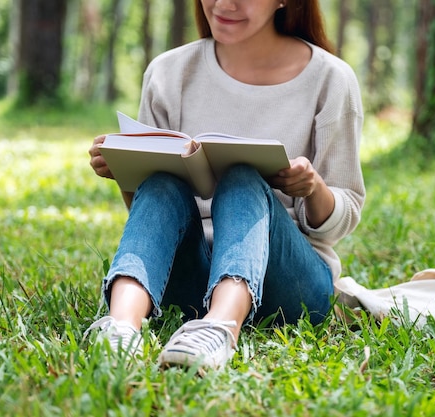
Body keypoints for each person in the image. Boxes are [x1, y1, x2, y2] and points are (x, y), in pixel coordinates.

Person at [86, 0, 365, 370]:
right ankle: (120, 327)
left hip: (291, 285)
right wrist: (126, 170)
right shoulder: (168, 73)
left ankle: (220, 327)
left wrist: (312, 187)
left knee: (241, 177)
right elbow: (150, 215)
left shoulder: (331, 79)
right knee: (163, 183)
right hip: (188, 278)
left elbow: (343, 214)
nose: (223, 4)